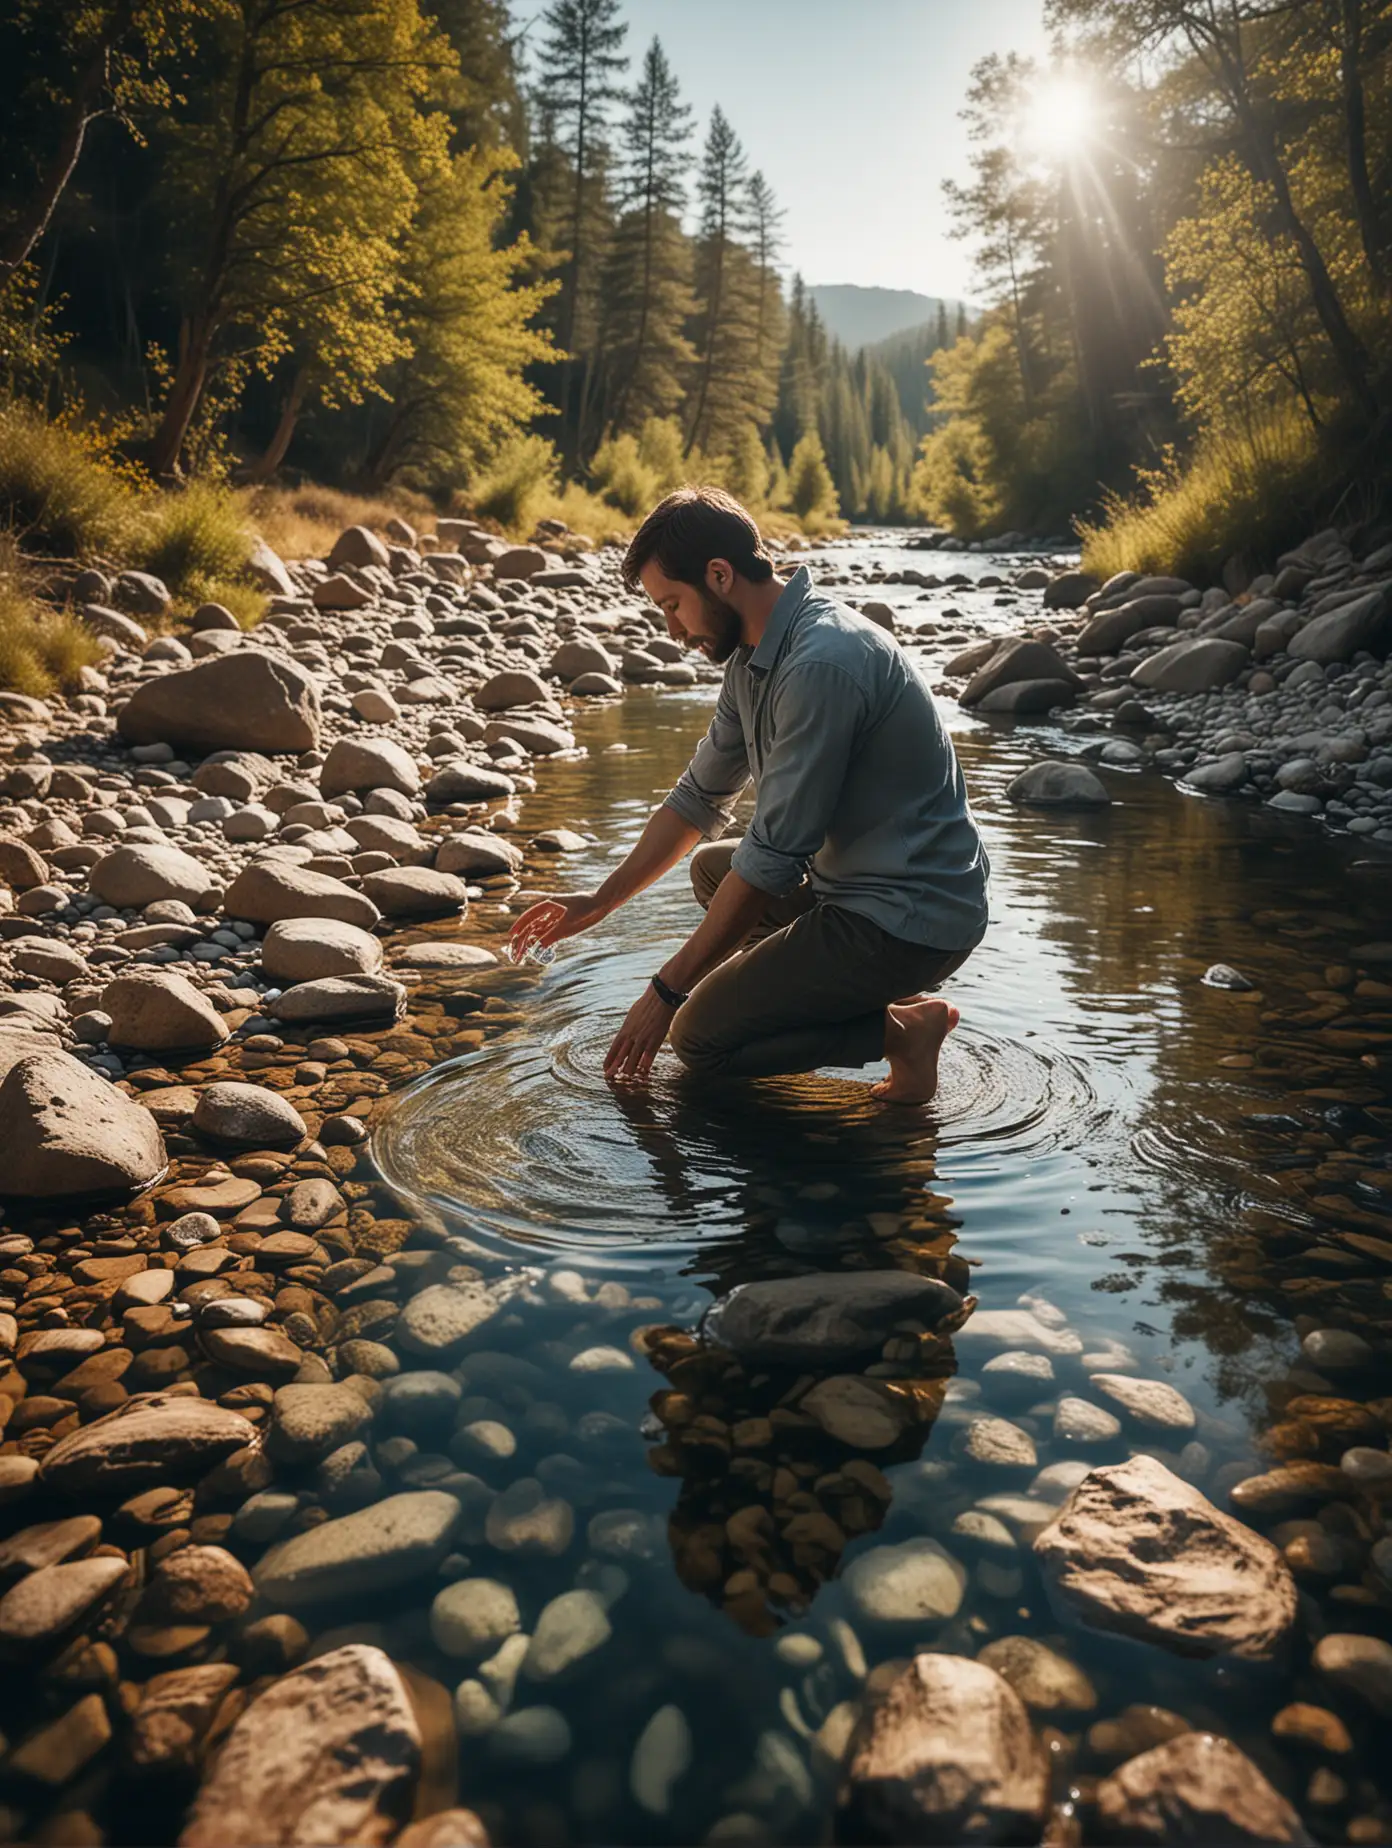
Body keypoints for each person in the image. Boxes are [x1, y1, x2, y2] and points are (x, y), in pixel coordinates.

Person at [508, 486, 990, 1103]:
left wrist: (665, 993)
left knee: (700, 1040)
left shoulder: (821, 665)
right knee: (714, 870)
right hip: (858, 891)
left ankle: (901, 1033)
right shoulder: (754, 658)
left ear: (719, 575)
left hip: (912, 919)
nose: (673, 630)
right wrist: (598, 903)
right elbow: (698, 799)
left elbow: (773, 859)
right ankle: (845, 999)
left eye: (674, 605)